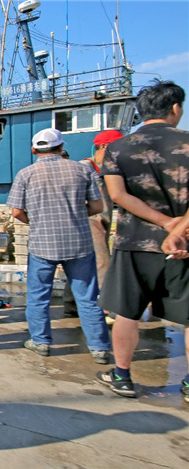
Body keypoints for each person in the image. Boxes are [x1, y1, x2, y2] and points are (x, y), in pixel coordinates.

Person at [96, 80, 189, 400]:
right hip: (185, 245)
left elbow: (117, 195)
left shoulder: (118, 148)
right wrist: (177, 228)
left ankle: (122, 375)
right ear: (175, 108)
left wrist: (163, 222)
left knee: (126, 313)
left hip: (133, 242)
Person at [8, 128, 111, 363]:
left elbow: (16, 211)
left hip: (42, 244)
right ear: (61, 147)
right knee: (87, 296)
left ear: (34, 150)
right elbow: (97, 207)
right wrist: (73, 213)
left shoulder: (26, 174)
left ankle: (41, 341)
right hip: (79, 244)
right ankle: (99, 347)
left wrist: (35, 220)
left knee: (38, 296)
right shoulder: (82, 170)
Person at [62, 130, 123, 318]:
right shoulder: (85, 167)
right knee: (102, 261)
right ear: (104, 146)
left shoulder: (107, 168)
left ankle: (71, 303)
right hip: (89, 220)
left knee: (80, 264)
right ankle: (104, 307)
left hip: (102, 220)